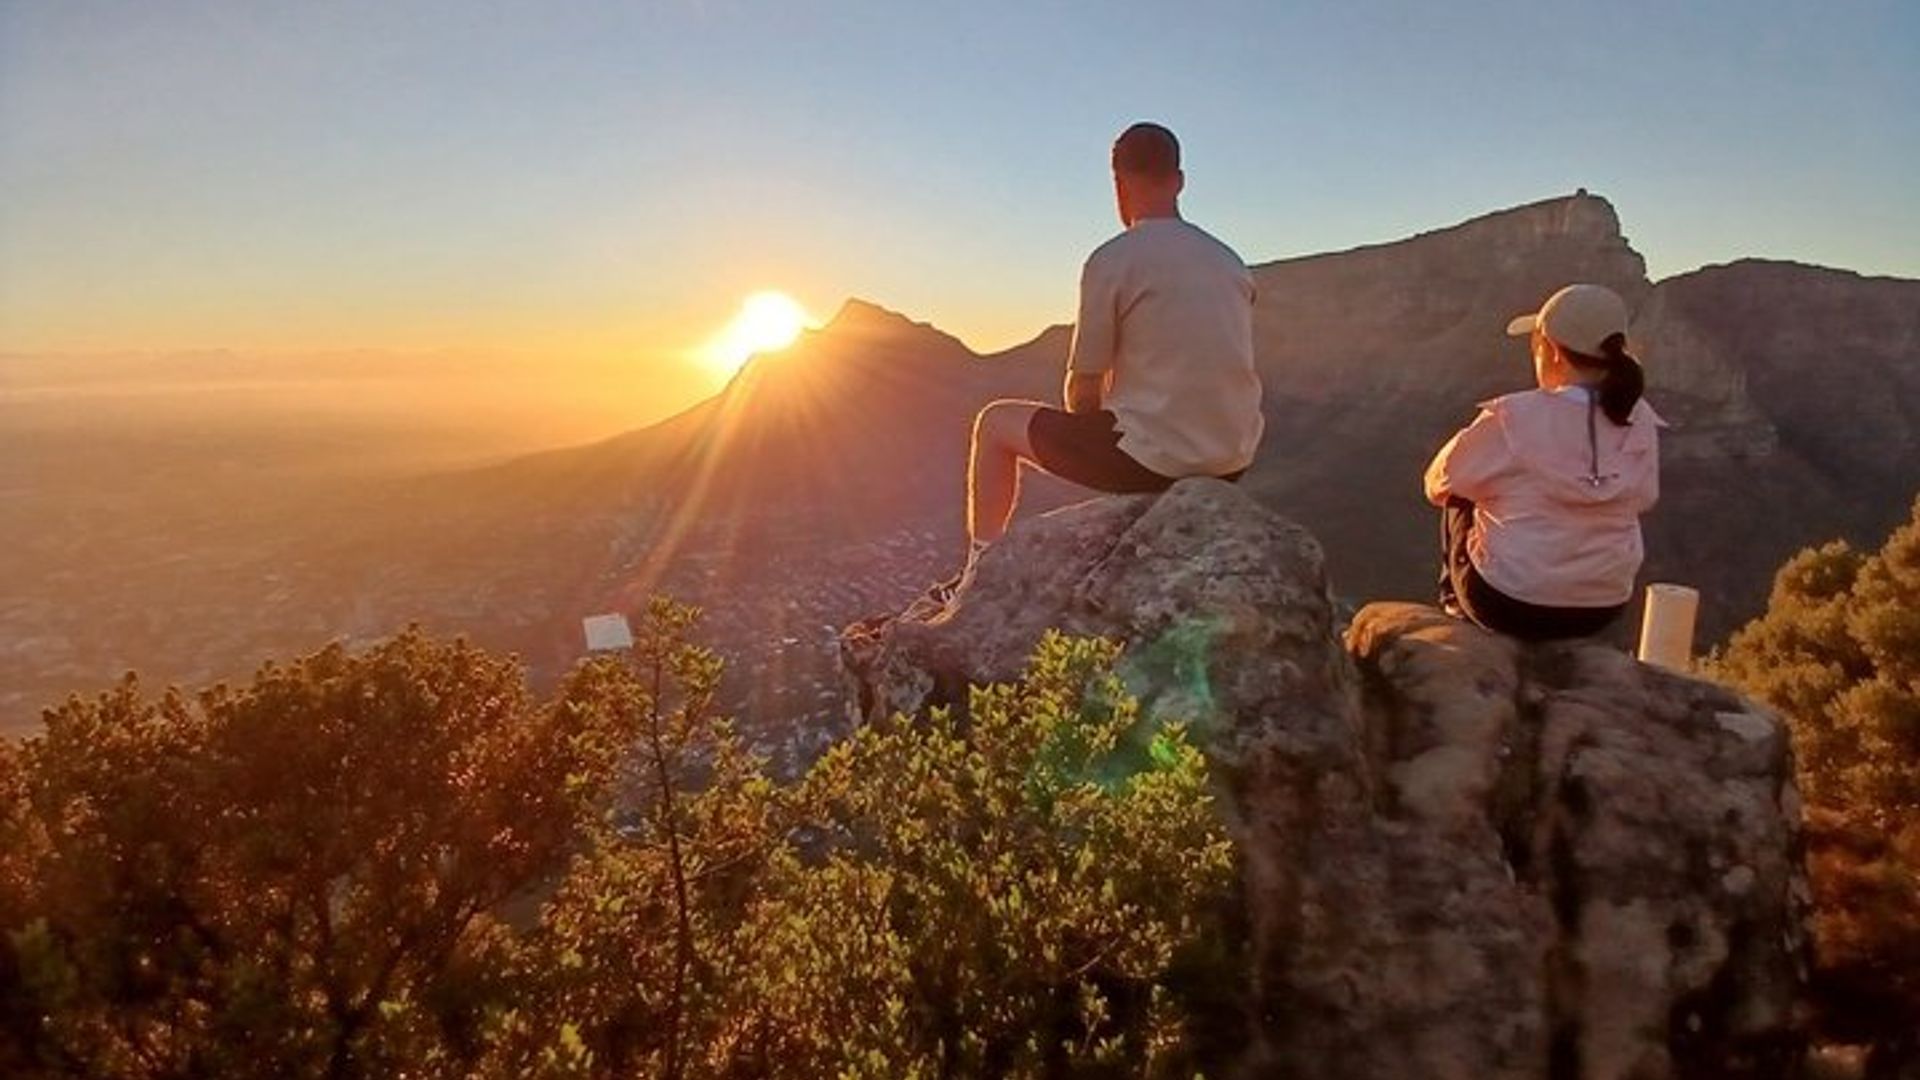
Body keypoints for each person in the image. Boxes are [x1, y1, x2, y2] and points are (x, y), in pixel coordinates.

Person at [914, 122, 1264, 613]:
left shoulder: (1114, 259)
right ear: (1179, 180)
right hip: (1232, 462)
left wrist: (1094, 426)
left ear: (1118, 184)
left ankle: (978, 576)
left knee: (995, 423)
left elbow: (1083, 387)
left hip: (1155, 463)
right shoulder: (1230, 261)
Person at [1424, 283, 1664, 640]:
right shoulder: (1640, 418)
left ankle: (1455, 609)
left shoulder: (1513, 418)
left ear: (1550, 351)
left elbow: (1437, 483)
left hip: (1505, 604)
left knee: (1461, 495)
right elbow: (1645, 498)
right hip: (1601, 608)